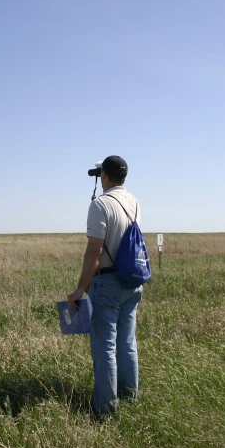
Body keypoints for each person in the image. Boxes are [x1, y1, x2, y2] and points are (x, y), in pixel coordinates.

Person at [68, 155, 143, 415]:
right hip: (131, 282)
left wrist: (80, 289)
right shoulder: (134, 202)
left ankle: (105, 410)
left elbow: (94, 251)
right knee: (127, 343)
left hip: (107, 282)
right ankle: (129, 398)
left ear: (104, 176)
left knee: (105, 347)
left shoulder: (100, 204)